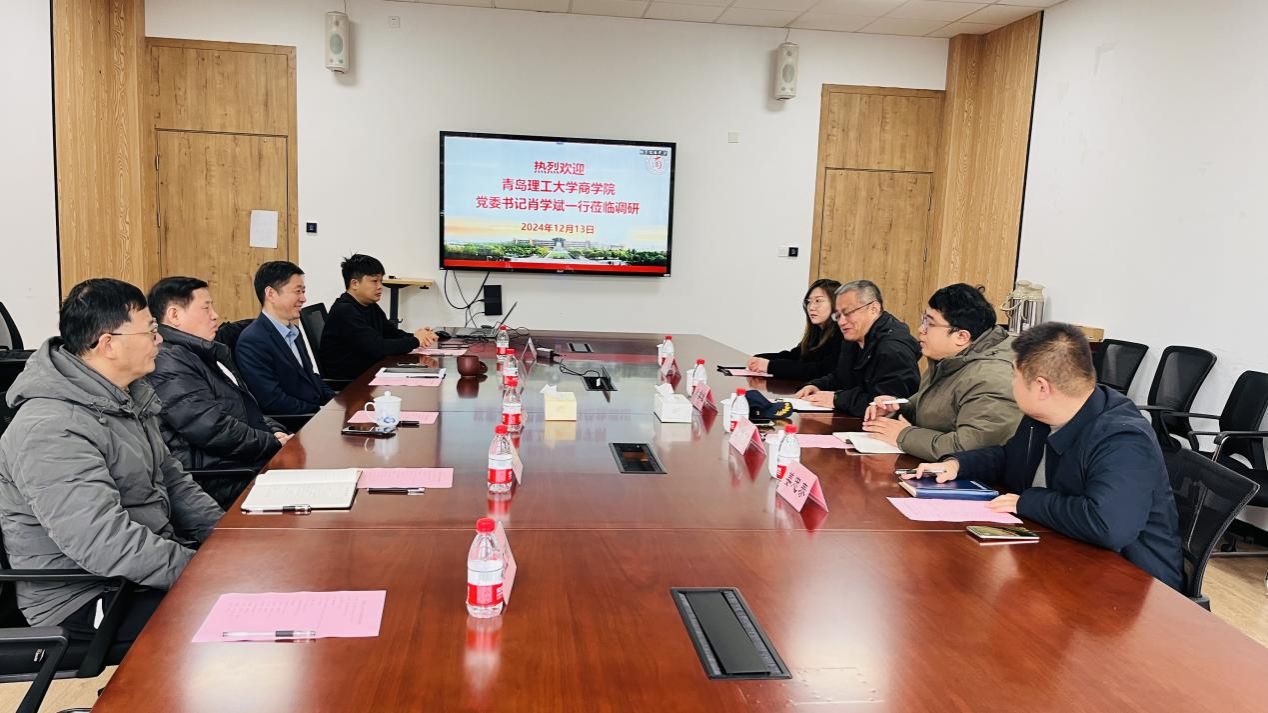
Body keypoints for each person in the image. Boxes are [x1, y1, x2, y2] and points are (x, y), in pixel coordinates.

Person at [0, 278, 223, 640]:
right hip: (85, 594)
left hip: (139, 572)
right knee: (232, 621)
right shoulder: (50, 428)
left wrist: (227, 539)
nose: (159, 340)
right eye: (150, 331)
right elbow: (103, 541)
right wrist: (201, 570)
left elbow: (175, 482)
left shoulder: (127, 397)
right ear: (108, 345)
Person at [905, 322, 1184, 590]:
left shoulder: (1123, 439)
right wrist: (958, 464)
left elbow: (1109, 525)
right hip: (1064, 555)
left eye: (1014, 376)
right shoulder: (1041, 416)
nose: (1010, 384)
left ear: (1041, 387)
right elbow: (1010, 458)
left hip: (1134, 588)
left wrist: (1026, 502)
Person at [146, 277, 291, 508]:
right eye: (206, 308)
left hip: (244, 461)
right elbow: (212, 428)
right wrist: (271, 441)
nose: (215, 316)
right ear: (174, 315)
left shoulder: (201, 352)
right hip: (222, 477)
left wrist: (275, 431)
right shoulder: (169, 361)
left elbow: (247, 409)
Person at [862, 283, 1021, 461]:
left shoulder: (992, 378)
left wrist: (904, 435)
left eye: (929, 323)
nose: (921, 330)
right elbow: (932, 409)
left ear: (961, 336)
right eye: (924, 320)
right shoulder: (950, 359)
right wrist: (896, 408)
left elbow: (968, 449)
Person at [793, 280, 921, 416]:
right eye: (838, 315)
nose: (841, 322)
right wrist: (817, 386)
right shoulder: (854, 336)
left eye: (848, 313)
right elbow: (841, 378)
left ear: (874, 309)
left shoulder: (893, 349)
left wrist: (837, 399)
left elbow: (887, 406)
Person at [236, 261, 336, 414]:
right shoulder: (252, 341)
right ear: (271, 294)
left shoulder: (294, 331)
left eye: (303, 291)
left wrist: (337, 401)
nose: (303, 298)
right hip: (296, 420)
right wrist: (319, 411)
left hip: (313, 412)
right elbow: (273, 401)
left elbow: (310, 377)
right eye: (298, 291)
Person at [319, 253, 439, 380]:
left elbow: (391, 333)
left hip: (371, 370)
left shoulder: (369, 305)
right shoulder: (345, 311)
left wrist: (421, 337)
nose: (380, 287)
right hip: (352, 382)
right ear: (354, 284)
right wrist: (415, 340)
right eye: (374, 281)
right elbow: (378, 347)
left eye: (381, 281)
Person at [747, 278, 843, 381]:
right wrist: (760, 358)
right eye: (809, 302)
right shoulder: (817, 332)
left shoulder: (841, 334)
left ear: (836, 304)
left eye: (818, 301)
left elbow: (820, 371)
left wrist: (770, 366)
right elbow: (795, 356)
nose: (811, 307)